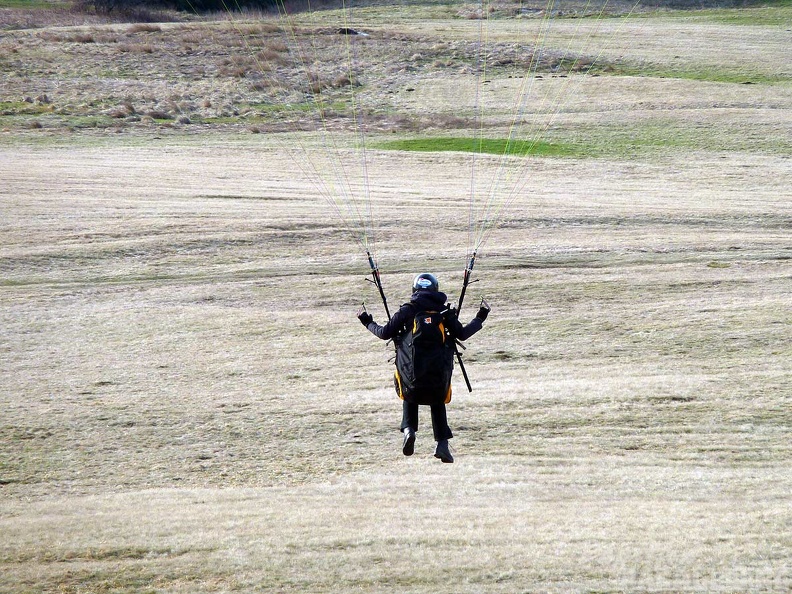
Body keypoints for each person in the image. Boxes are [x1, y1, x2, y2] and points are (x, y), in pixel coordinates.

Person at [357, 272, 489, 463]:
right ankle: (442, 444)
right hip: (438, 372)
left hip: (412, 371)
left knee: (409, 387)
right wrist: (481, 316)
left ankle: (409, 430)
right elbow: (463, 334)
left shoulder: (408, 311)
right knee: (437, 397)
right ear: (435, 290)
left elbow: (385, 333)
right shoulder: (444, 313)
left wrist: (366, 321)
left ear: (415, 290)